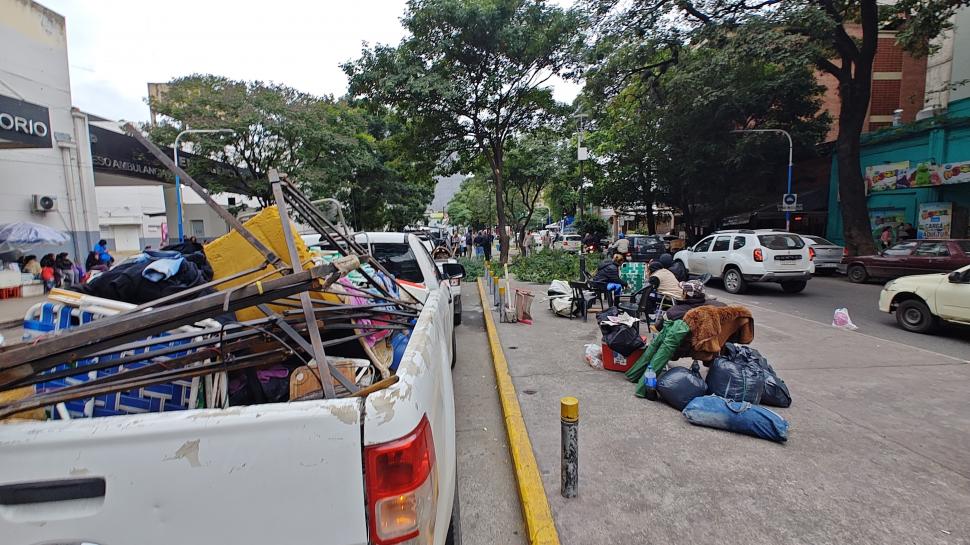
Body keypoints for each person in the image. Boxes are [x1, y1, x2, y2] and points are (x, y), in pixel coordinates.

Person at [656, 280, 725, 331]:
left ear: (686, 294)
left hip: (683, 344)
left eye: (683, 291)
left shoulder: (673, 312)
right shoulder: (721, 307)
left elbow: (658, 327)